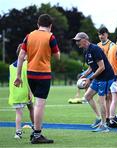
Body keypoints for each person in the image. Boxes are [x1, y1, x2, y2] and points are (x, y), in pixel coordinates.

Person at [14, 14, 60, 144]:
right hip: (43, 74)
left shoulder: (29, 36)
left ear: (37, 24)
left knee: (36, 103)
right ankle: (37, 134)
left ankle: (36, 132)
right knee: (40, 104)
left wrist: (18, 76)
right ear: (50, 26)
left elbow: (21, 56)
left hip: (30, 74)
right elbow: (57, 57)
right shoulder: (51, 36)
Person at [73, 32, 114, 132]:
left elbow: (102, 67)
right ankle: (99, 118)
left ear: (85, 39)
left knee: (101, 100)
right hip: (98, 77)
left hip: (106, 77)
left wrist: (90, 79)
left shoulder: (95, 49)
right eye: (76, 41)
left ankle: (104, 126)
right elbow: (91, 67)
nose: (77, 43)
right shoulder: (86, 51)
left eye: (78, 40)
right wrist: (84, 76)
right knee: (87, 96)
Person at [9, 44, 34, 139]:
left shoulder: (11, 66)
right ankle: (35, 126)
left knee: (18, 113)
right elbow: (28, 79)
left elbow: (11, 81)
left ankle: (18, 133)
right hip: (25, 91)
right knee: (31, 108)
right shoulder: (26, 64)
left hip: (15, 93)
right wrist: (30, 92)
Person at [97, 27, 114, 123]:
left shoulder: (111, 45)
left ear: (107, 34)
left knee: (109, 96)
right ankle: (106, 117)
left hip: (109, 73)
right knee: (104, 96)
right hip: (101, 74)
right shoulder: (97, 45)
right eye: (99, 34)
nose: (101, 36)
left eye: (102, 34)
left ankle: (109, 117)